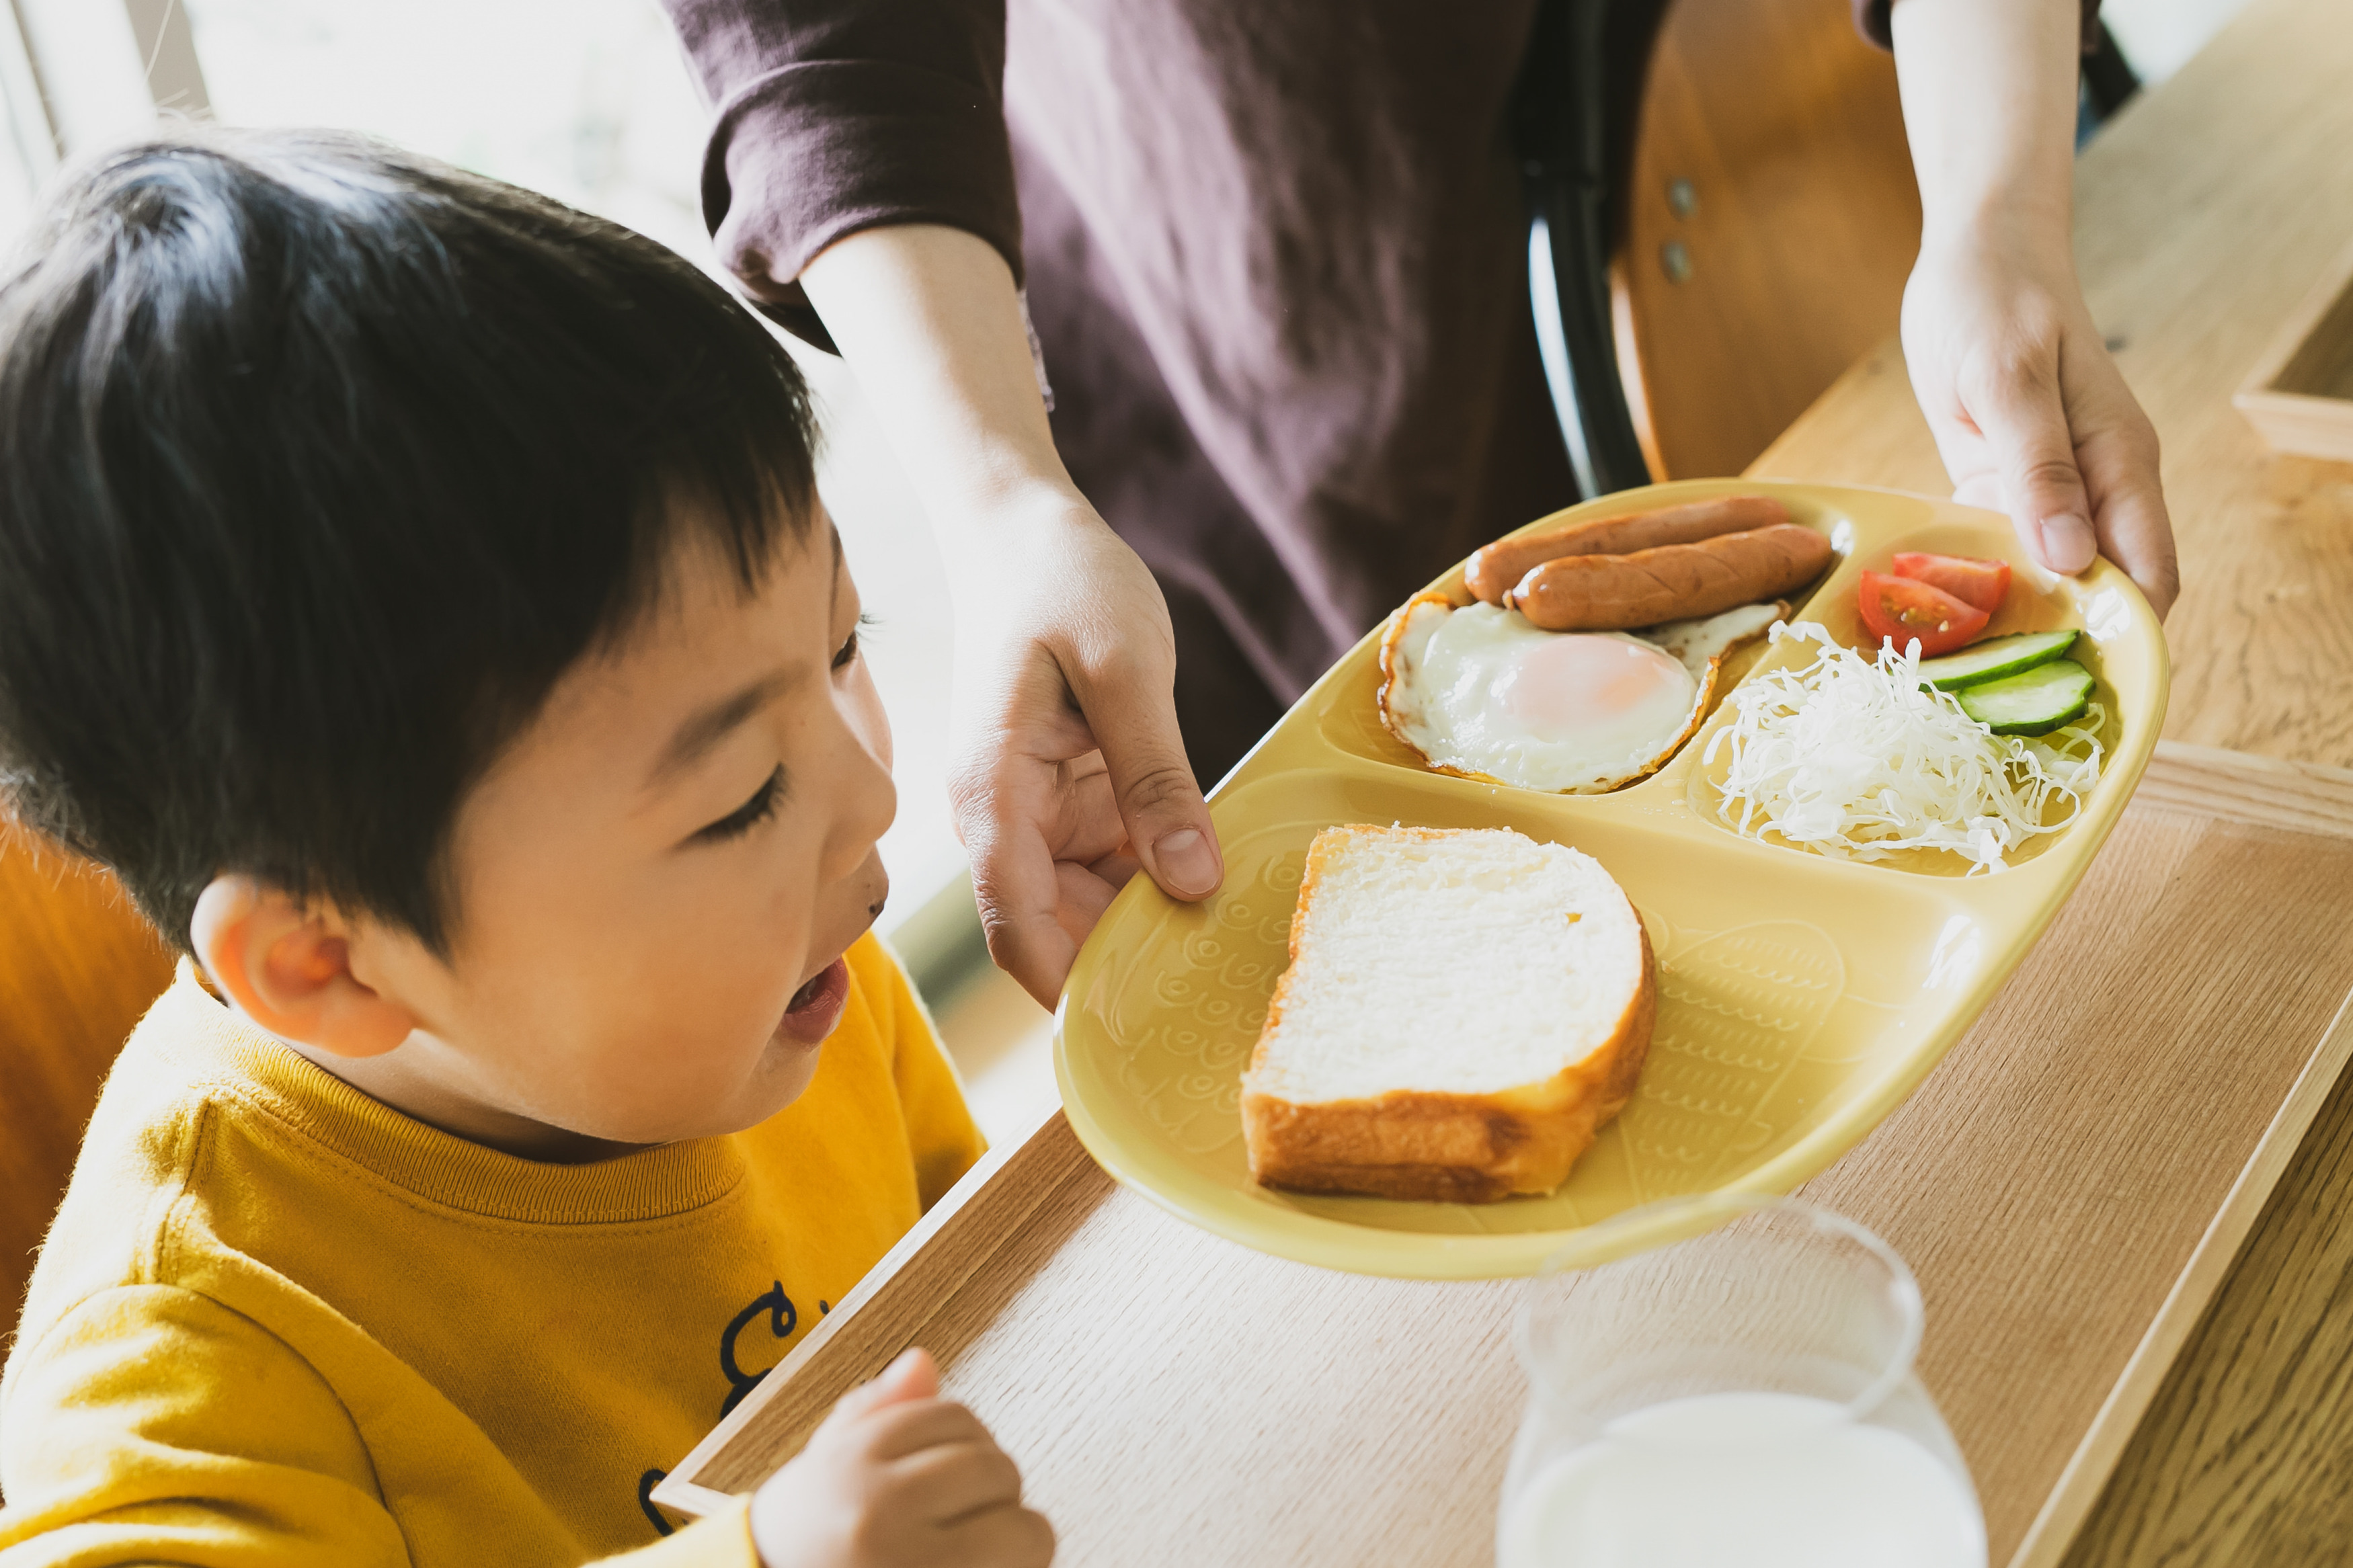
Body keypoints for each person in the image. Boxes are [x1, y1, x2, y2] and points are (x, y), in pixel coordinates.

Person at [663, 0, 2182, 1007]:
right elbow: (823, 39)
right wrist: (1001, 499)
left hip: (1765, 111)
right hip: (1240, 200)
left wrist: (1996, 217)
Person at [0, 128, 1053, 1568]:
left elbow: (982, 1295)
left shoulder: (780, 967)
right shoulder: (194, 1326)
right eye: (740, 795)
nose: (869, 800)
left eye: (841, 646)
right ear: (323, 961)